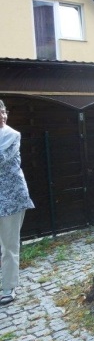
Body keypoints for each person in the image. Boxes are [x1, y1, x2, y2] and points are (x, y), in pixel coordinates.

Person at [0, 100, 34, 306]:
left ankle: (8, 287)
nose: (2, 116)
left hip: (11, 199)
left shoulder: (12, 136)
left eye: (3, 112)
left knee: (9, 245)